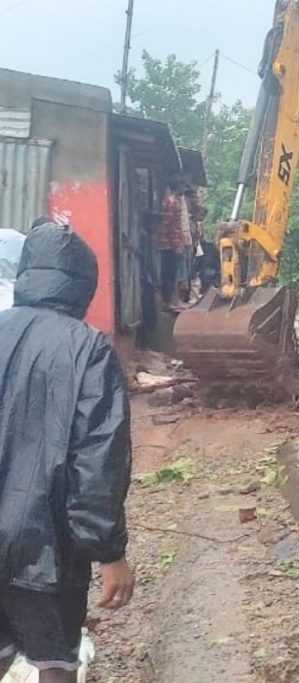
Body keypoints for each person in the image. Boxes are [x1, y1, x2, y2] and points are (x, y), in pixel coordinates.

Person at [0, 223, 135, 682]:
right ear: (83, 284)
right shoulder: (87, 348)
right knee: (54, 662)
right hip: (44, 547)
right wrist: (110, 552)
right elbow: (98, 461)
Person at [156, 179, 186, 311]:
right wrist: (177, 245)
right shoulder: (172, 202)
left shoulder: (172, 201)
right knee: (170, 274)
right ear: (177, 186)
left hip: (170, 243)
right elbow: (170, 225)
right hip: (170, 245)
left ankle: (171, 301)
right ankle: (169, 301)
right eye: (182, 186)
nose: (184, 189)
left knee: (170, 274)